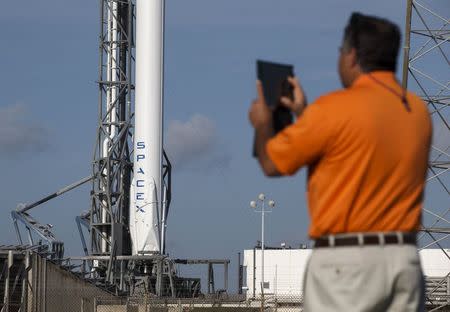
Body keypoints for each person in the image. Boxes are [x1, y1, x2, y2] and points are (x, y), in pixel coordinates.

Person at [248, 12, 432, 312]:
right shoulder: (417, 112)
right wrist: (305, 114)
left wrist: (263, 122)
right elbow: (356, 147)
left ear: (352, 56)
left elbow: (272, 163)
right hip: (404, 260)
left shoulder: (332, 110)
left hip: (346, 265)